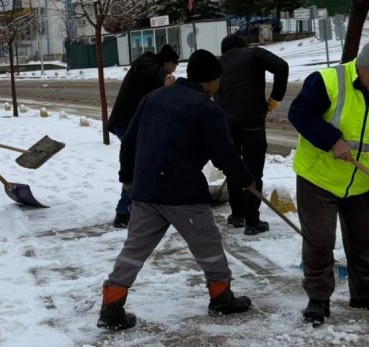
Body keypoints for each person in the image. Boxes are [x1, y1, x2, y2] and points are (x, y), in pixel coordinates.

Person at [97, 49, 256, 331]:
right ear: (212, 80)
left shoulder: (153, 98)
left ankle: (112, 305)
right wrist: (245, 178)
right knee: (208, 245)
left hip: (146, 191)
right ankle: (221, 296)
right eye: (218, 81)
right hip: (183, 194)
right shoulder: (206, 108)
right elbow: (224, 153)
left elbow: (129, 140)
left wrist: (127, 176)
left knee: (134, 249)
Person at [287, 30, 369, 327]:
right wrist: (331, 139)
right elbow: (299, 113)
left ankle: (366, 294)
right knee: (319, 240)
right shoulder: (328, 81)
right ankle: (318, 299)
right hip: (319, 177)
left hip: (361, 183)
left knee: (366, 239)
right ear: (361, 65)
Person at [215, 34, 290, 235]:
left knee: (233, 167)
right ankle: (252, 221)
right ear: (243, 44)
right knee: (254, 169)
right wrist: (275, 99)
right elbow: (282, 67)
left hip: (226, 122)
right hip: (252, 121)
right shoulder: (254, 54)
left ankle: (237, 214)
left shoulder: (218, 62)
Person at [105, 43, 179, 228]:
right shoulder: (145, 62)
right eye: (174, 66)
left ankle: (138, 209)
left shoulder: (151, 71)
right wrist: (166, 77)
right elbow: (151, 71)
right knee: (138, 165)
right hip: (126, 123)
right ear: (168, 63)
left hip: (133, 123)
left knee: (144, 163)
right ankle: (124, 213)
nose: (174, 69)